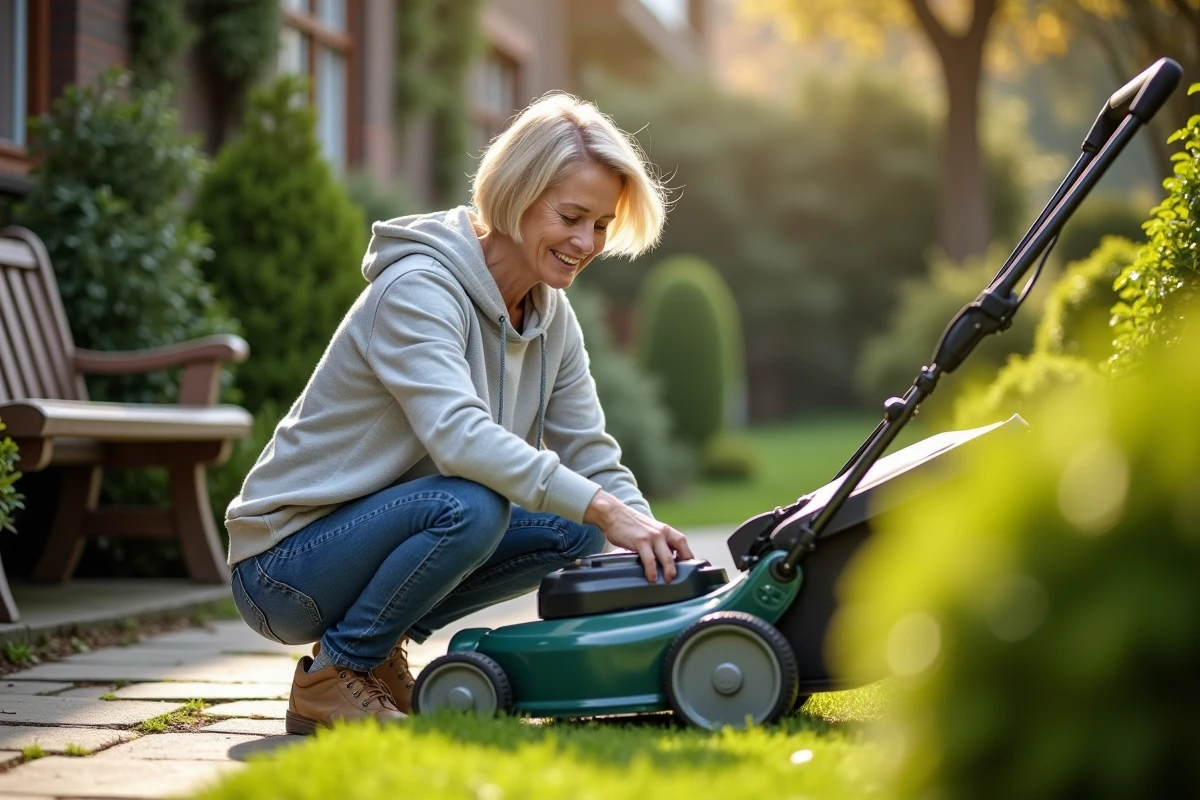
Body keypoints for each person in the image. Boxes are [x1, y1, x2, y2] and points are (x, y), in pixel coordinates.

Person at [223, 93, 694, 735]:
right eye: (572, 216)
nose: (587, 242)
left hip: (372, 538)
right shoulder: (418, 288)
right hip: (284, 567)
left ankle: (376, 650)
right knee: (472, 505)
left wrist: (646, 534)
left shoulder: (551, 318)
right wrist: (604, 507)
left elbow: (588, 448)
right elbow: (459, 438)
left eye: (602, 225)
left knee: (576, 531)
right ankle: (332, 677)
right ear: (518, 194)